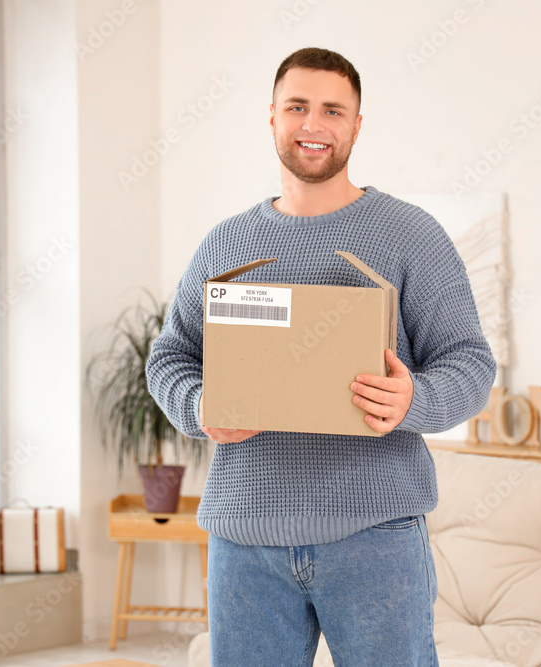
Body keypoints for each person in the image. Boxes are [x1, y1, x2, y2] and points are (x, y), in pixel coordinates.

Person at [146, 47, 496, 666]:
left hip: (375, 539)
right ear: (272, 118)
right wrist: (201, 406)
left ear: (357, 125)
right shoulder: (227, 242)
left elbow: (469, 364)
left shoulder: (411, 235)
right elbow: (170, 357)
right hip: (245, 541)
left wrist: (413, 399)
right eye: (297, 107)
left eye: (333, 110)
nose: (313, 124)